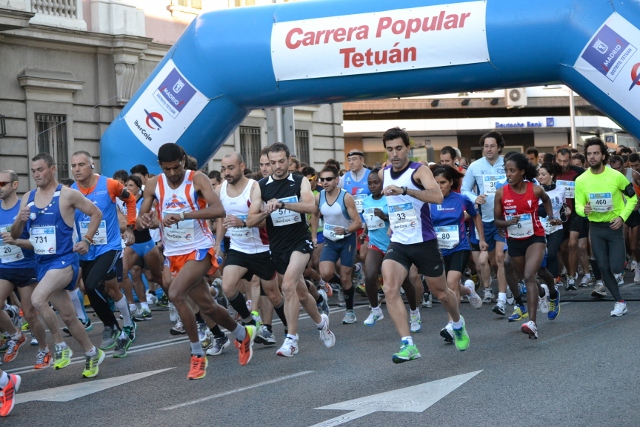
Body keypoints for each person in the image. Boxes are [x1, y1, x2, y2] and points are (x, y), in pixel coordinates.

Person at [138, 143, 255, 379]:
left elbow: (219, 210)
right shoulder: (154, 184)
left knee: (175, 293)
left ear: (183, 160)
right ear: (160, 166)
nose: (172, 173)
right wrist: (147, 220)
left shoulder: (197, 179)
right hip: (174, 252)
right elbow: (144, 215)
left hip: (199, 248)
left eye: (176, 167)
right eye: (167, 169)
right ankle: (243, 334)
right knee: (207, 306)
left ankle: (197, 354)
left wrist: (183, 215)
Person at [11, 152, 106, 378]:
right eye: (33, 171)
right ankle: (92, 353)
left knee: (37, 299)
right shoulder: (28, 198)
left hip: (64, 260)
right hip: (42, 263)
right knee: (68, 316)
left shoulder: (67, 195)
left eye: (40, 170)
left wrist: (86, 240)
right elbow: (15, 236)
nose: (36, 175)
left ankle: (60, 347)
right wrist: (19, 220)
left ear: (52, 169)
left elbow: (96, 213)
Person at [380, 127, 470, 363]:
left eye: (399, 148)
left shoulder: (419, 171)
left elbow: (437, 196)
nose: (395, 153)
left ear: (407, 148)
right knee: (389, 287)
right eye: (390, 149)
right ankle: (407, 344)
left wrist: (406, 190)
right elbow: (396, 206)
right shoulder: (384, 173)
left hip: (424, 242)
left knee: (441, 292)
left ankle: (458, 324)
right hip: (399, 242)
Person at [247, 142, 335, 357]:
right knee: (302, 293)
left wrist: (283, 204)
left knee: (287, 287)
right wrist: (265, 212)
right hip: (277, 246)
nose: (277, 166)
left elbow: (310, 207)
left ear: (288, 160)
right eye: (272, 162)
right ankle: (321, 322)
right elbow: (250, 220)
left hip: (299, 242)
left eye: (281, 161)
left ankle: (292, 339)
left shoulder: (299, 180)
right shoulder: (260, 185)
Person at [70, 151, 138, 358]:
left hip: (110, 247)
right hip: (87, 249)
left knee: (90, 285)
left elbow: (131, 200)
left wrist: (130, 227)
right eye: (73, 166)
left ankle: (111, 326)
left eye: (81, 165)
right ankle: (129, 325)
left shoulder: (109, 185)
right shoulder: (71, 190)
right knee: (111, 288)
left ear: (92, 166)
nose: (77, 169)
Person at [217, 152, 288, 347]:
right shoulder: (221, 189)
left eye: (230, 168)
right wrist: (217, 245)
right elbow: (219, 218)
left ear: (242, 167)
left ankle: (290, 331)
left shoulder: (254, 188)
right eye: (224, 169)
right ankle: (250, 322)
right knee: (228, 286)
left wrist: (242, 223)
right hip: (238, 249)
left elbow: (267, 221)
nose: (227, 173)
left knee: (273, 294)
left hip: (261, 249)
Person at [494, 153, 561, 338]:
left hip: (535, 237)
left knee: (530, 275)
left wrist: (550, 216)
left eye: (512, 171)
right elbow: (496, 221)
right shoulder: (501, 193)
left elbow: (546, 200)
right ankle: (546, 293)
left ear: (522, 172)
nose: (508, 174)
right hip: (515, 240)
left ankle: (532, 322)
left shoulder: (535, 189)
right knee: (530, 277)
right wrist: (507, 223)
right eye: (506, 170)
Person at [575, 138, 637, 317]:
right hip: (596, 228)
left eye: (596, 153)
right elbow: (578, 205)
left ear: (603, 155)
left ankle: (619, 267)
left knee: (616, 267)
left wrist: (622, 217)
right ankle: (619, 301)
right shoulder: (582, 180)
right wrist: (583, 210)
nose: (592, 157)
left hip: (614, 226)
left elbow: (632, 198)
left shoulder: (615, 176)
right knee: (603, 267)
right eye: (589, 154)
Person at [429, 165, 485, 342]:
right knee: (445, 288)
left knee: (451, 283)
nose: (439, 186)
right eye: (436, 183)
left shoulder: (461, 199)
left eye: (443, 182)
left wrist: (481, 239)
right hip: (438, 250)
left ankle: (452, 326)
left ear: (451, 182)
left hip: (459, 247)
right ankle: (469, 290)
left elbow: (475, 215)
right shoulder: (428, 201)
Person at [0, 170, 49, 368]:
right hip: (4, 266)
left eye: (2, 183)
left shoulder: (25, 208)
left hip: (27, 266)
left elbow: (37, 240)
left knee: (29, 314)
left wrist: (17, 240)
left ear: (14, 185)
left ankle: (44, 350)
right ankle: (15, 335)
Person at [461, 131, 509, 314]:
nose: (489, 149)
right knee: (482, 261)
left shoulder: (506, 163)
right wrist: (475, 198)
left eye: (492, 146)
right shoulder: (475, 166)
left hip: (503, 219)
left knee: (500, 259)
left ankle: (503, 296)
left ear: (499, 147)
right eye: (486, 146)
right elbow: (464, 189)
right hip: (482, 219)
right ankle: (488, 289)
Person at [313, 165, 362, 324]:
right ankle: (351, 274)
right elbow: (314, 215)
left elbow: (358, 222)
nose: (325, 182)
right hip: (329, 240)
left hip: (346, 239)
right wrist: (314, 235)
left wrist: (346, 229)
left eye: (328, 179)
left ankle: (350, 311)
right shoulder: (319, 197)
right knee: (326, 274)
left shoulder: (346, 197)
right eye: (322, 179)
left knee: (346, 276)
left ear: (336, 180)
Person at [555, 148, 588, 290]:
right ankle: (569, 273)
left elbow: (588, 188)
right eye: (560, 161)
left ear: (570, 159)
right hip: (559, 215)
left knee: (573, 243)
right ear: (555, 160)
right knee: (562, 248)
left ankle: (571, 278)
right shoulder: (551, 172)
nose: (563, 164)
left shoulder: (579, 172)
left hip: (575, 213)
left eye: (566, 161)